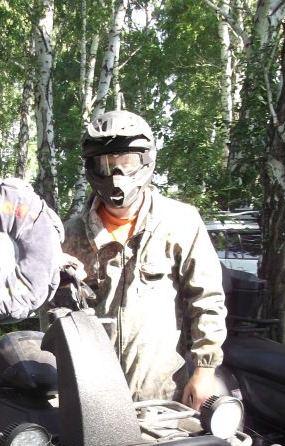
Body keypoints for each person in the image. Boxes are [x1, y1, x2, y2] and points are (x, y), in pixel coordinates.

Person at [61, 109, 226, 410]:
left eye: (127, 162)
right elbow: (58, 315)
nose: (116, 175)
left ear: (146, 161)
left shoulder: (180, 222)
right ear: (91, 167)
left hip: (163, 393)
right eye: (105, 164)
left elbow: (207, 298)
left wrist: (205, 370)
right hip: (92, 393)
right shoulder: (72, 233)